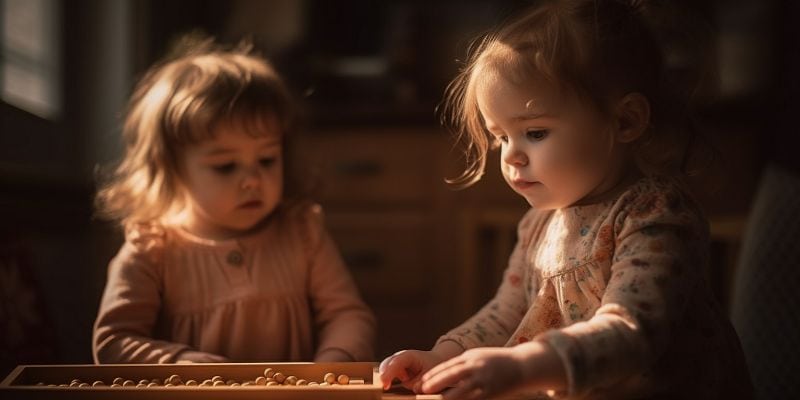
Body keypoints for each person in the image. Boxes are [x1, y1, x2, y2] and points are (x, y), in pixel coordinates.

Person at [379, 1, 752, 399]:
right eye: (502, 137)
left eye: (535, 133)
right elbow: (506, 313)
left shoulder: (655, 216)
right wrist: (444, 357)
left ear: (626, 121)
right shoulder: (540, 224)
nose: (511, 156)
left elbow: (631, 331)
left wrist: (525, 367)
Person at [92, 38, 376, 364]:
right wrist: (180, 363)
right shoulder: (151, 249)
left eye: (267, 159)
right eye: (225, 166)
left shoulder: (302, 232)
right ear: (170, 169)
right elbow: (115, 342)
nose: (253, 180)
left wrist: (335, 356)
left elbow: (348, 315)